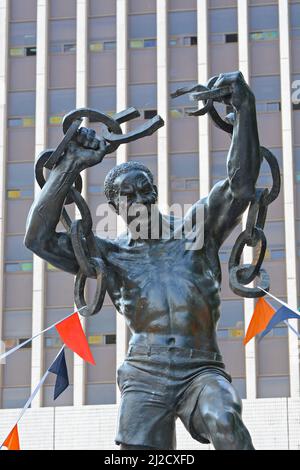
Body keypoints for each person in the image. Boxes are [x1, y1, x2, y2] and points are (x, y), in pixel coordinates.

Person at [25, 71, 259, 450]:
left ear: (155, 192)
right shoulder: (110, 256)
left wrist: (245, 109)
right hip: (145, 373)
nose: (139, 200)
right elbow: (37, 239)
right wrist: (69, 165)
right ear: (115, 207)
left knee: (226, 420)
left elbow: (241, 186)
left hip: (200, 368)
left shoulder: (195, 232)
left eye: (144, 190)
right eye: (127, 196)